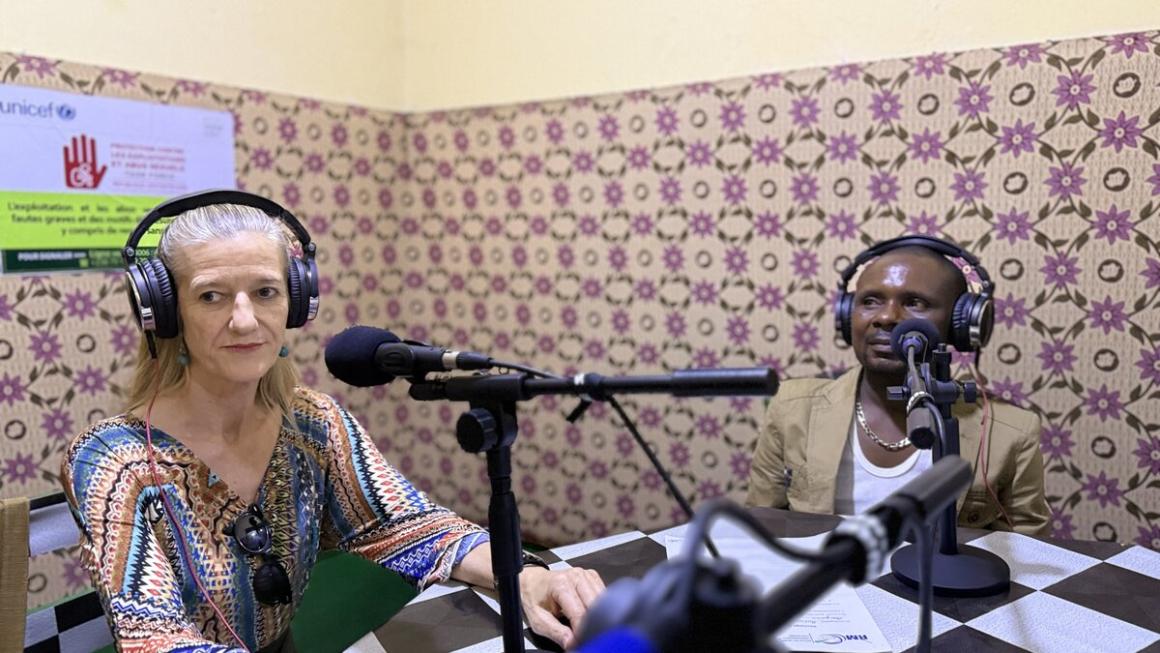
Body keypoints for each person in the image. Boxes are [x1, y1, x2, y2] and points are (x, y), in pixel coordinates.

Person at [61, 191, 604, 653]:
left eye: (266, 292)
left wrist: (526, 578)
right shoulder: (112, 460)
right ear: (167, 313)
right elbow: (153, 637)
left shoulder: (312, 423)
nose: (245, 320)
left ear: (295, 302)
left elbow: (411, 526)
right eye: (211, 296)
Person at [746, 235, 1050, 536]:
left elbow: (1028, 550)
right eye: (870, 301)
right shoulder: (792, 409)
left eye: (915, 302)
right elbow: (760, 528)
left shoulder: (1011, 433)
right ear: (847, 316)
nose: (887, 317)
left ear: (960, 324)